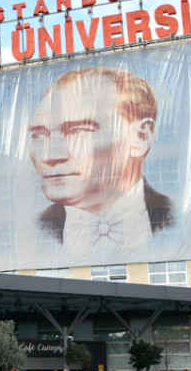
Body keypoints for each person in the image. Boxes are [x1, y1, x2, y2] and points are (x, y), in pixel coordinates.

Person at [28, 67, 173, 255]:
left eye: (78, 131)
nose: (50, 156)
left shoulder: (178, 215)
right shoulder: (34, 229)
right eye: (39, 135)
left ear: (140, 137)